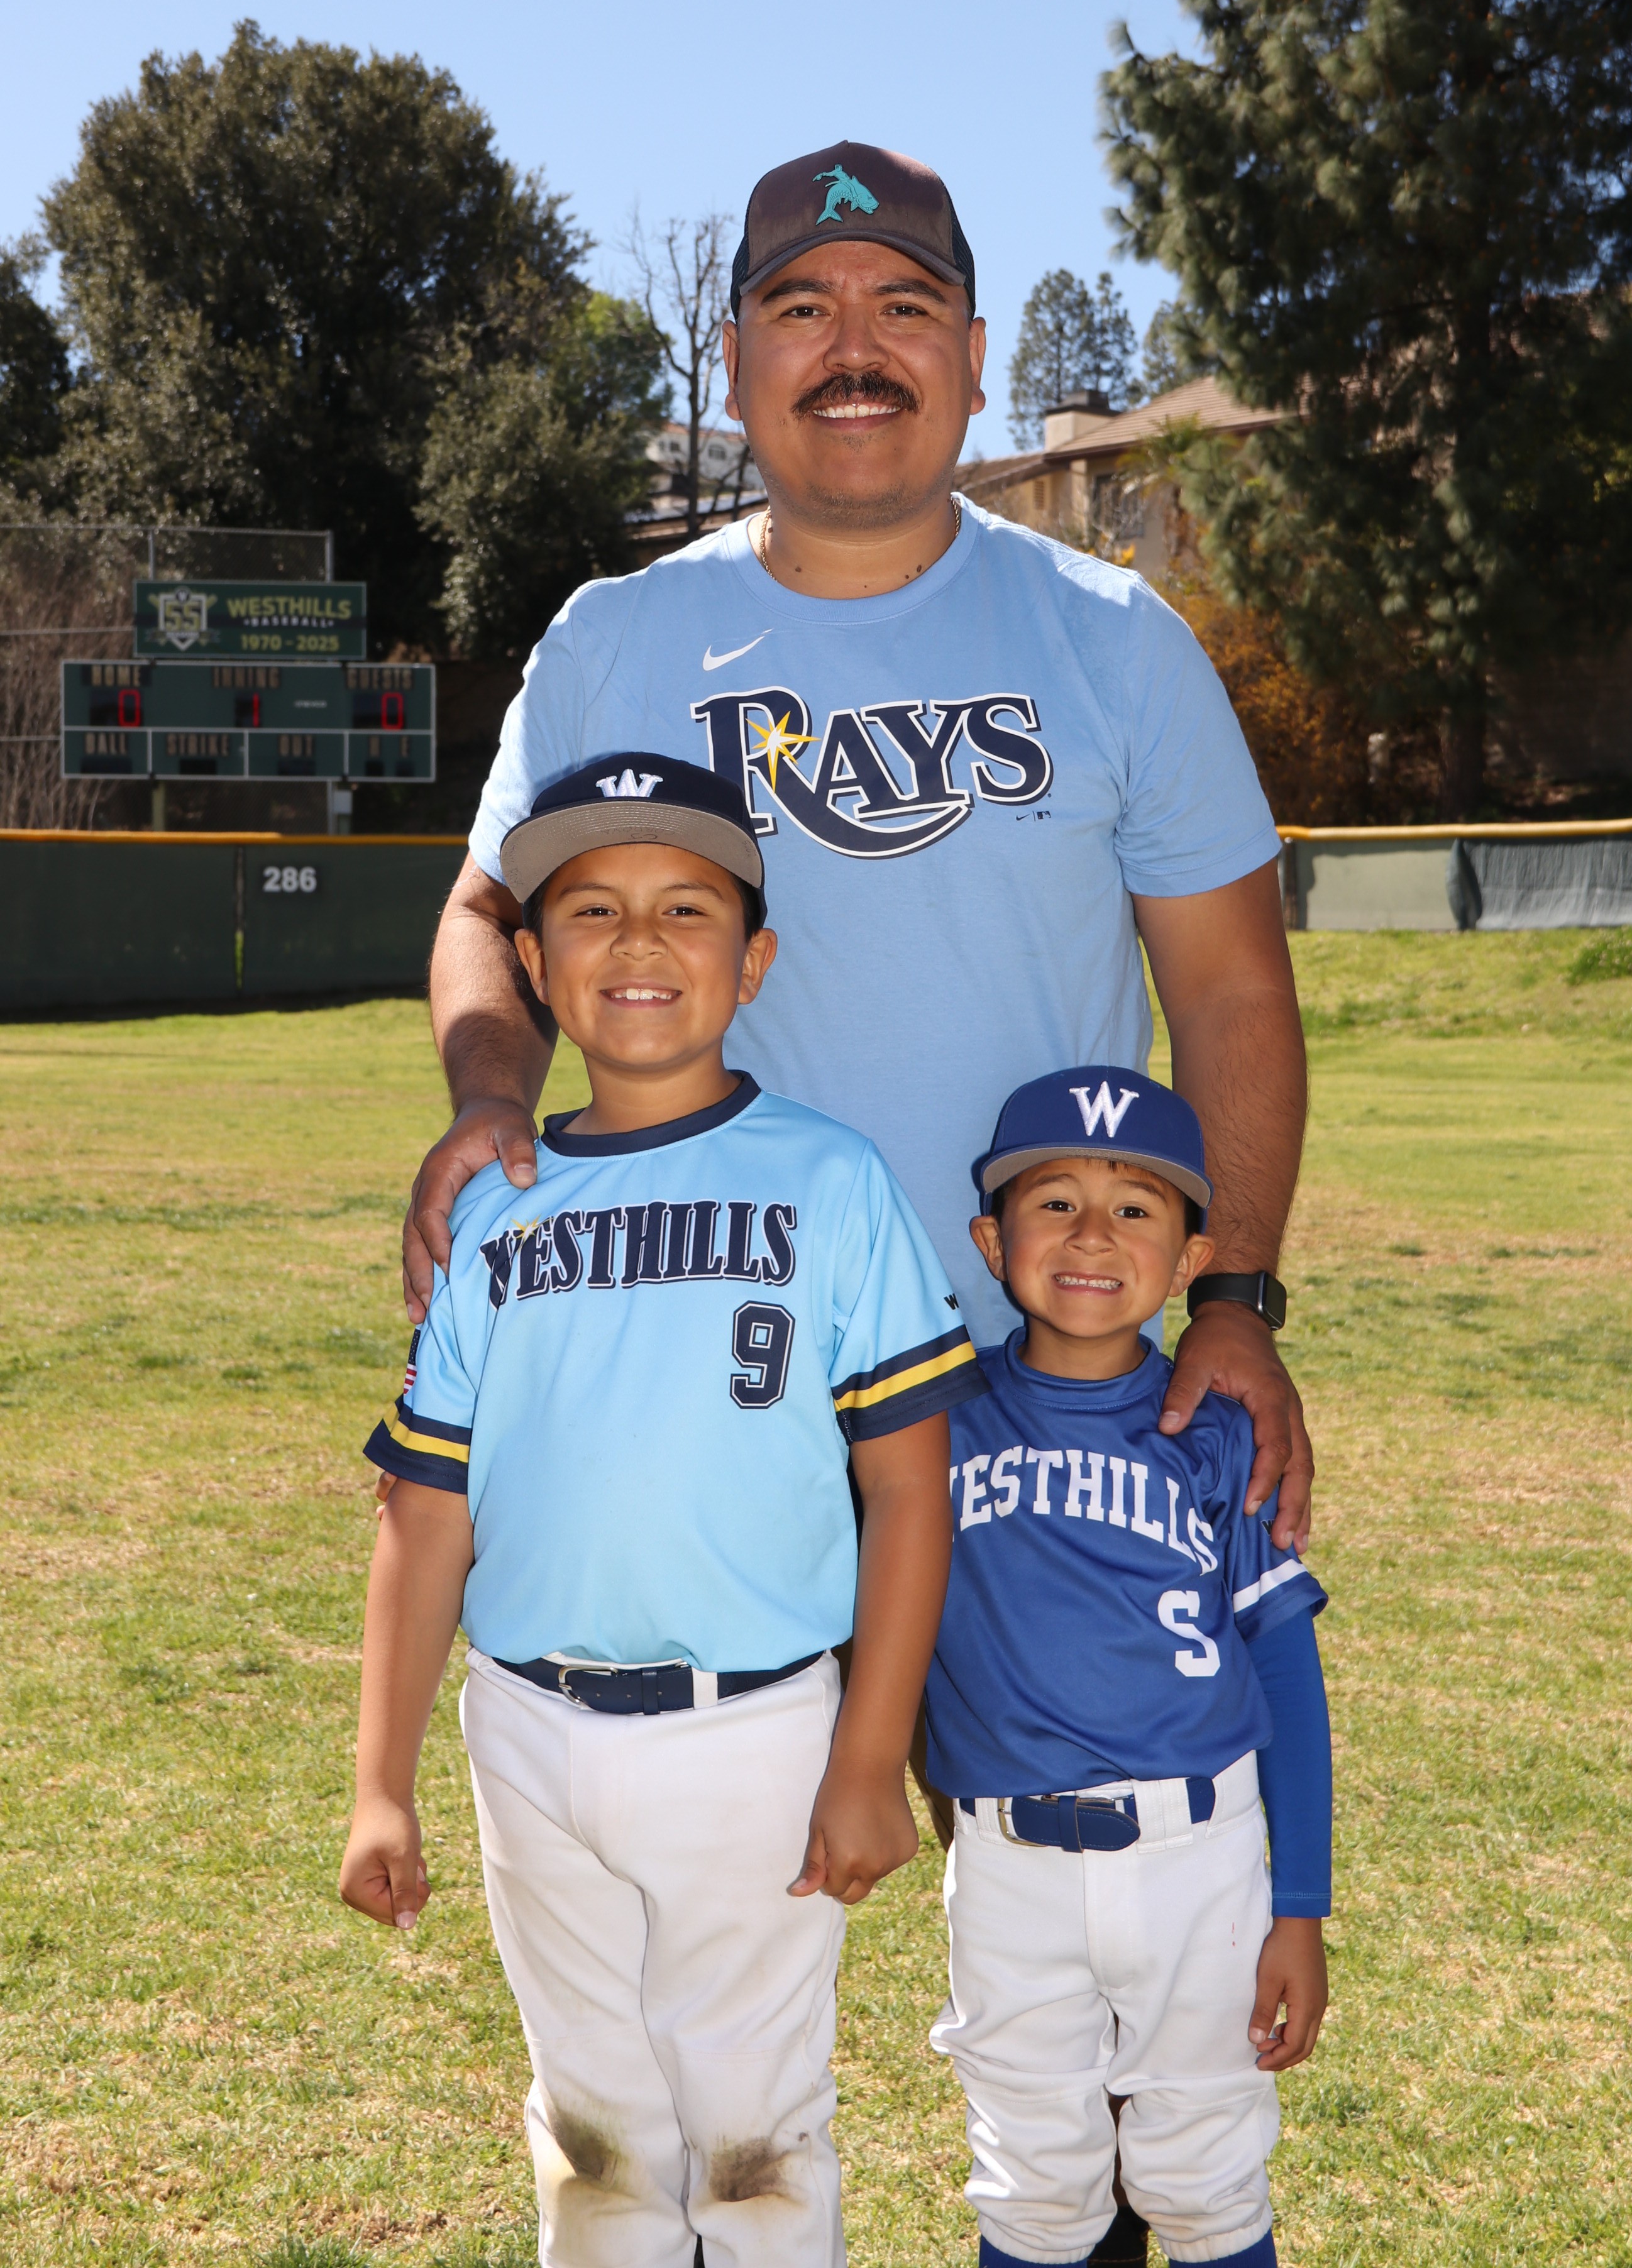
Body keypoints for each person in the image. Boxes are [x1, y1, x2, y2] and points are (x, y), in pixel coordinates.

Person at [404, 136, 1313, 1561]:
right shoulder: (611, 642)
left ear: (973, 354)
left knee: (1046, 1719)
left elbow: (1230, 993)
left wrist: (1233, 1301)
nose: (853, 351)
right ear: (732, 363)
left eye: (902, 306)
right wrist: (487, 1094)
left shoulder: (1118, 641)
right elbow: (484, 916)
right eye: (800, 307)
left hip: (1040, 1376)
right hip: (700, 1361)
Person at [339, 752, 983, 2268]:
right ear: (530, 963)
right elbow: (423, 1514)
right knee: (594, 2128)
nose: (637, 941)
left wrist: (869, 1757)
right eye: (591, 910)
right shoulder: (489, 1208)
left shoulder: (831, 1181)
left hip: (753, 1730)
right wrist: (380, 1784)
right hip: (528, 1722)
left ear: (753, 963)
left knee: (754, 2139)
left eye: (686, 908)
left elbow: (909, 1489)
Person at [925, 1065, 1331, 2268]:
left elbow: (1287, 1677)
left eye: (1137, 1210)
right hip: (1005, 1860)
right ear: (991, 1241)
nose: (1093, 1236)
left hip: (1197, 1858)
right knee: (1031, 2182)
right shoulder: (936, 1421)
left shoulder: (1221, 1432)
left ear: (1193, 1257)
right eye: (1054, 1204)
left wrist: (1301, 1909)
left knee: (1206, 2180)